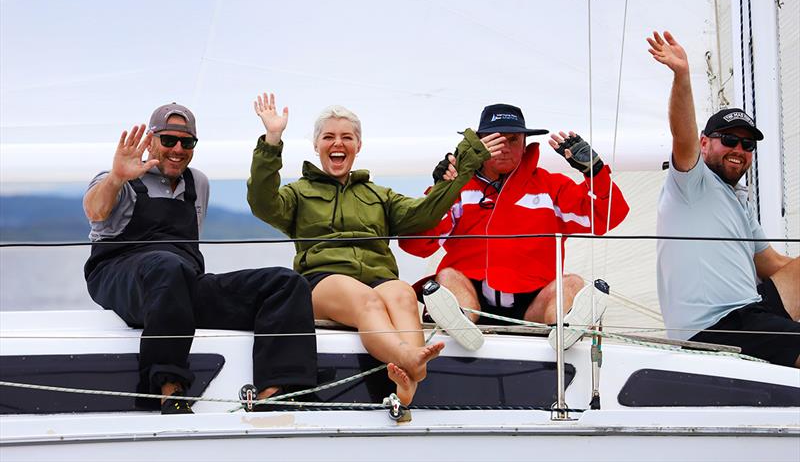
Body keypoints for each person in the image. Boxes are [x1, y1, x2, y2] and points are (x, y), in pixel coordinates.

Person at [247, 93, 500, 404]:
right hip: (323, 281)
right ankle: (412, 362)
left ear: (358, 146)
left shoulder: (379, 195)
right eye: (328, 137)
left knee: (403, 294)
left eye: (346, 137)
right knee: (367, 300)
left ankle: (406, 385)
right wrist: (272, 140)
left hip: (378, 279)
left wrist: (461, 170)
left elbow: (424, 214)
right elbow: (262, 202)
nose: (337, 143)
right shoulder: (298, 193)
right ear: (316, 146)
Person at [83, 103, 318, 414]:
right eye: (168, 140)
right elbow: (94, 212)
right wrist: (116, 177)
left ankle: (276, 393)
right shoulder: (120, 176)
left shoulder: (199, 183)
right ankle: (169, 389)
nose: (178, 149)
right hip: (121, 277)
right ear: (151, 140)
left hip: (178, 284)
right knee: (167, 267)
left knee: (285, 283)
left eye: (187, 142)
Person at [400, 103, 630, 350]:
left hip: (535, 304)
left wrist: (595, 172)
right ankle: (460, 327)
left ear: (524, 142)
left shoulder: (551, 187)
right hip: (469, 298)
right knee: (447, 276)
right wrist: (441, 190)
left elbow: (607, 218)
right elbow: (416, 245)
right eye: (496, 139)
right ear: (479, 143)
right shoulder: (459, 190)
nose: (505, 148)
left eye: (513, 139)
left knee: (572, 283)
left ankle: (563, 329)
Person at [647, 31, 799, 367]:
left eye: (748, 146)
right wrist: (682, 76)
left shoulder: (738, 200)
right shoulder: (690, 180)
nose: (739, 150)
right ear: (704, 144)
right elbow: (682, 133)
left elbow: (773, 265)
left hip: (751, 311)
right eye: (729, 139)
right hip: (713, 327)